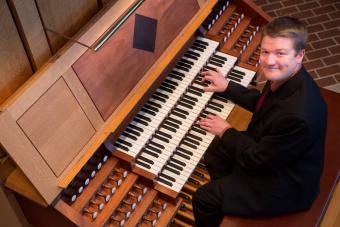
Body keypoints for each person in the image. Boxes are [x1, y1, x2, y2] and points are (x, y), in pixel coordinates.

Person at [192, 16, 327, 227]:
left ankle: (226, 201)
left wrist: (226, 130)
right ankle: (230, 199)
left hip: (285, 185)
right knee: (216, 152)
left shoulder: (297, 115)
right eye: (265, 51)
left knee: (203, 199)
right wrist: (227, 87)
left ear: (300, 55)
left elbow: (259, 159)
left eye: (280, 53)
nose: (269, 61)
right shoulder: (287, 77)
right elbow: (265, 104)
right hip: (274, 153)